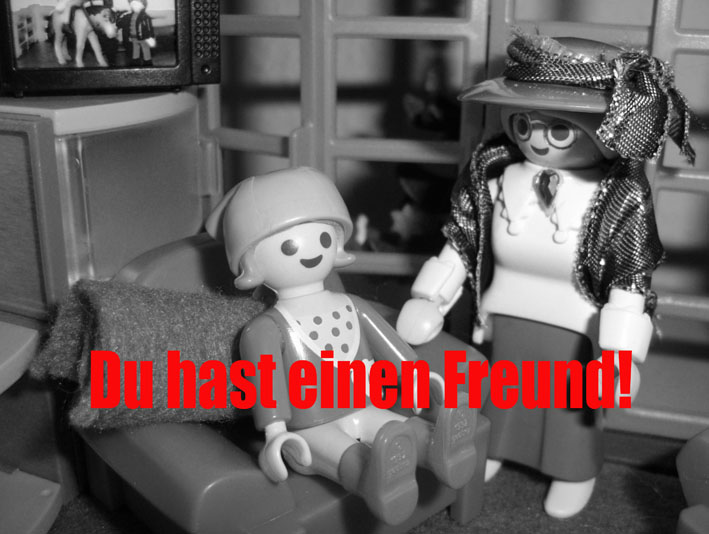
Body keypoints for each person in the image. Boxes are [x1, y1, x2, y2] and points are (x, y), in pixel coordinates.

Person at [397, 33, 697, 518]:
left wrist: (621, 352)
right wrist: (430, 295)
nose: (536, 139)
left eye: (559, 130)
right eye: (523, 123)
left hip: (577, 323)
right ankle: (495, 446)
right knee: (505, 393)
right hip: (509, 311)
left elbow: (630, 276)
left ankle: (573, 470)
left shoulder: (618, 196)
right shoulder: (496, 177)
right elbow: (463, 240)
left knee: (570, 407)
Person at [205, 167, 478, 525]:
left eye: (322, 238)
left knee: (394, 430)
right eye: (289, 246)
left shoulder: (353, 306)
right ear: (250, 260)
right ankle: (376, 482)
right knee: (347, 453)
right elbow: (268, 385)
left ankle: (438, 448)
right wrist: (275, 434)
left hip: (364, 404)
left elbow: (390, 346)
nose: (310, 252)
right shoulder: (264, 329)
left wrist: (417, 375)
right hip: (309, 427)